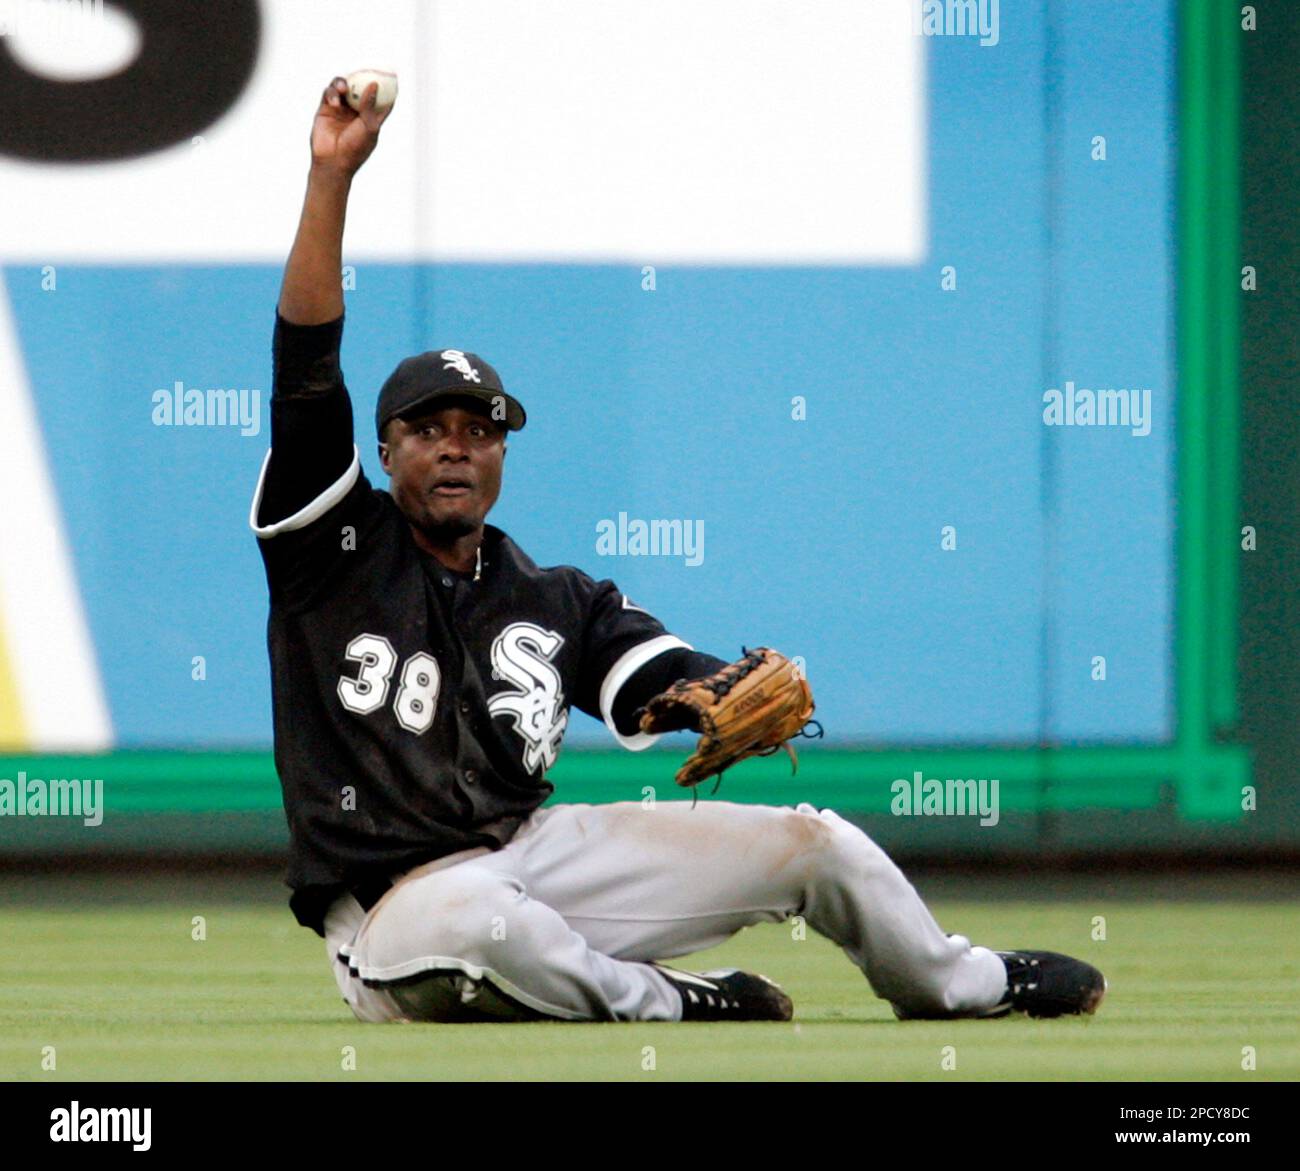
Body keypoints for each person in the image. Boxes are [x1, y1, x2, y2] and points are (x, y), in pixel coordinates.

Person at [249, 76, 1107, 1024]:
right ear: (385, 451)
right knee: (488, 923)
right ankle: (671, 1000)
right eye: (428, 427)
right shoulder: (329, 545)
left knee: (812, 841)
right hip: (395, 913)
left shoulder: (552, 595)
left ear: (501, 451)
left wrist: (719, 687)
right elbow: (306, 363)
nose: (456, 444)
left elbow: (651, 668)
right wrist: (331, 178)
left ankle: (960, 983)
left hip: (532, 858)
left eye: (479, 428)